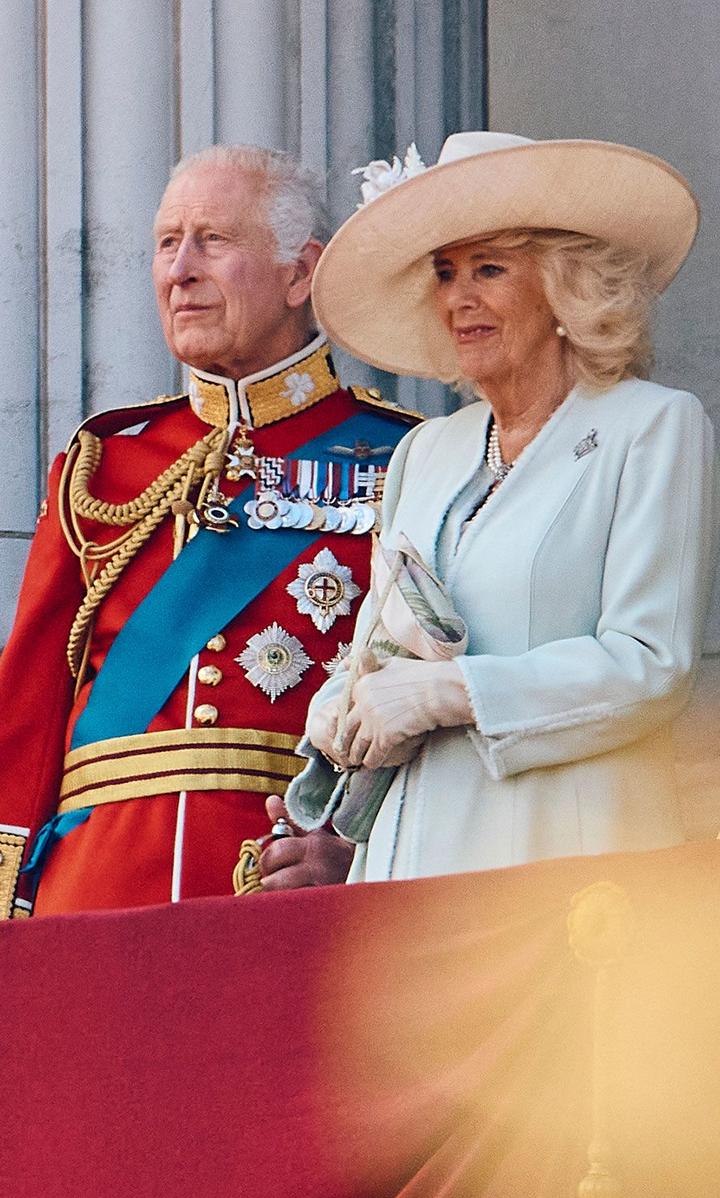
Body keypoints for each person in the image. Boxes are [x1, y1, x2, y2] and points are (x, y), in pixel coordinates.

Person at [0, 144, 420, 921]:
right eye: (168, 243)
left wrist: (367, 852)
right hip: (92, 894)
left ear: (301, 274)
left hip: (284, 887)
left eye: (214, 240)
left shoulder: (403, 457)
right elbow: (24, 715)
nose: (180, 270)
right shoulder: (102, 465)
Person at [293, 131, 715, 879]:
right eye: (447, 273)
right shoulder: (427, 451)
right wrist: (343, 700)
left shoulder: (649, 426)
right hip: (409, 864)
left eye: (490, 268)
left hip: (566, 866)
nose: (460, 297)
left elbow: (651, 664)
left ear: (565, 287)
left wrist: (454, 692)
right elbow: (380, 638)